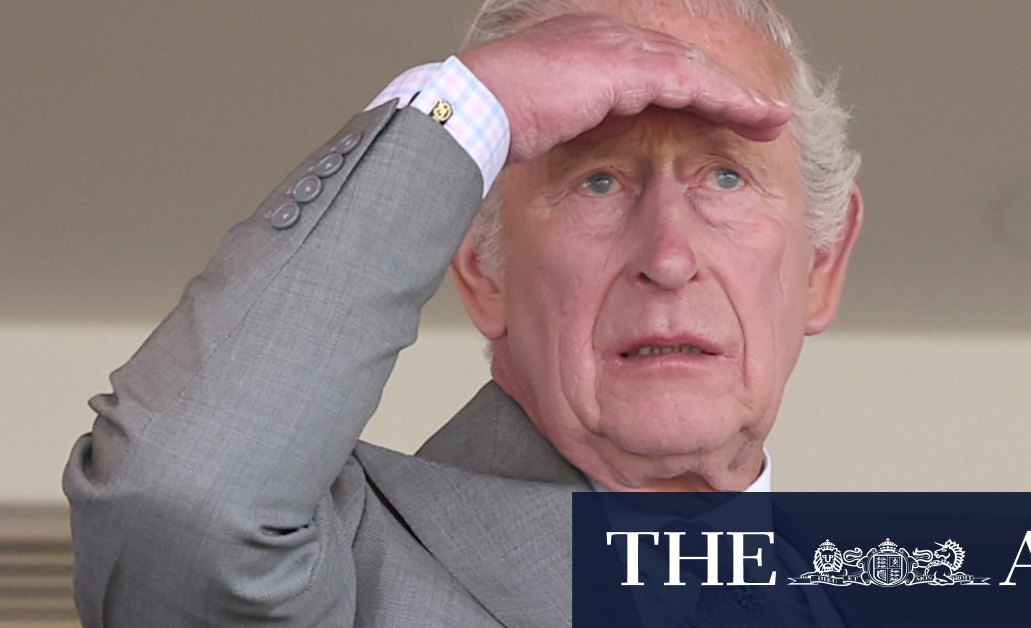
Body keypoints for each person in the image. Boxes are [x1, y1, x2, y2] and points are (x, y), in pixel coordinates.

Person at [63, 0, 863, 625]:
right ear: (482, 270)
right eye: (597, 181)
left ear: (822, 265)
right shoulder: (347, 565)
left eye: (725, 177)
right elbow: (181, 504)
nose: (668, 256)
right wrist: (470, 106)